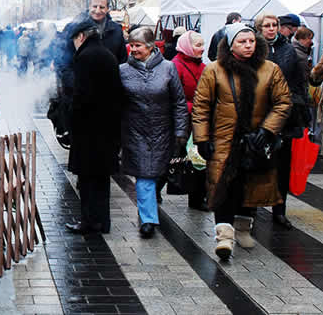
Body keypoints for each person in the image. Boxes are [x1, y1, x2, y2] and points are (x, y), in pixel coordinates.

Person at [192, 23, 291, 260]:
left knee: (253, 183)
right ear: (230, 45)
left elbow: (283, 102)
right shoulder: (214, 70)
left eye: (251, 41)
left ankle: (244, 228)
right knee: (222, 187)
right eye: (242, 42)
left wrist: (268, 130)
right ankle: (224, 236)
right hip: (224, 140)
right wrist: (202, 138)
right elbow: (201, 106)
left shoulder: (271, 69)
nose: (248, 46)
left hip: (256, 138)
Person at [120, 27, 189, 238]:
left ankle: (150, 206)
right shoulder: (122, 70)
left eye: (138, 45)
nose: (133, 49)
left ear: (150, 47)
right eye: (131, 45)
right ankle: (148, 219)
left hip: (163, 131)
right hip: (135, 131)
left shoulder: (168, 68)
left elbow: (178, 101)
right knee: (144, 176)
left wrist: (180, 131)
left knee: (157, 173)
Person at [65, 17, 124, 234]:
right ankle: (102, 221)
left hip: (89, 130)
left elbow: (81, 95)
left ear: (81, 37)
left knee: (88, 179)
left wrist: (71, 120)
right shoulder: (107, 54)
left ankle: (89, 221)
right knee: (101, 180)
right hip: (107, 128)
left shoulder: (85, 57)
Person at [256, 13, 309, 229]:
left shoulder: (287, 49)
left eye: (274, 25)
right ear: (259, 28)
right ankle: (252, 208)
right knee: (257, 164)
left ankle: (280, 209)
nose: (271, 29)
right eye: (266, 25)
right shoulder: (252, 47)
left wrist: (297, 106)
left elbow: (298, 82)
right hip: (258, 115)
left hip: (284, 115)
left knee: (282, 166)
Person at [171, 30, 208, 211]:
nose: (202, 48)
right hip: (183, 120)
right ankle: (155, 191)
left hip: (200, 120)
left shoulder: (203, 67)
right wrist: (191, 107)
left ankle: (197, 198)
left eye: (202, 44)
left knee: (199, 158)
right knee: (176, 157)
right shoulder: (175, 66)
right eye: (198, 45)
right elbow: (173, 96)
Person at [86, 0, 128, 64]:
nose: (98, 11)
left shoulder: (117, 30)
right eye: (95, 6)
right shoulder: (76, 27)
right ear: (89, 6)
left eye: (102, 7)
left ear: (108, 9)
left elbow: (123, 60)